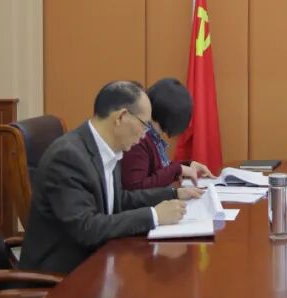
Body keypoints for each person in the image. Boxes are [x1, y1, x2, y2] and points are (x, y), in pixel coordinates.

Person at [20, 80, 192, 275]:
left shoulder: (108, 149)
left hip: (97, 263)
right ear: (121, 117)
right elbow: (87, 228)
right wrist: (154, 216)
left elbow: (119, 200)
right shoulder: (68, 156)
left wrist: (174, 193)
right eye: (145, 125)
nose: (145, 135)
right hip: (62, 278)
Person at [122, 77, 213, 190]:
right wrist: (178, 169)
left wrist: (187, 166)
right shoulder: (139, 137)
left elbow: (157, 170)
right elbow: (137, 187)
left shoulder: (153, 135)